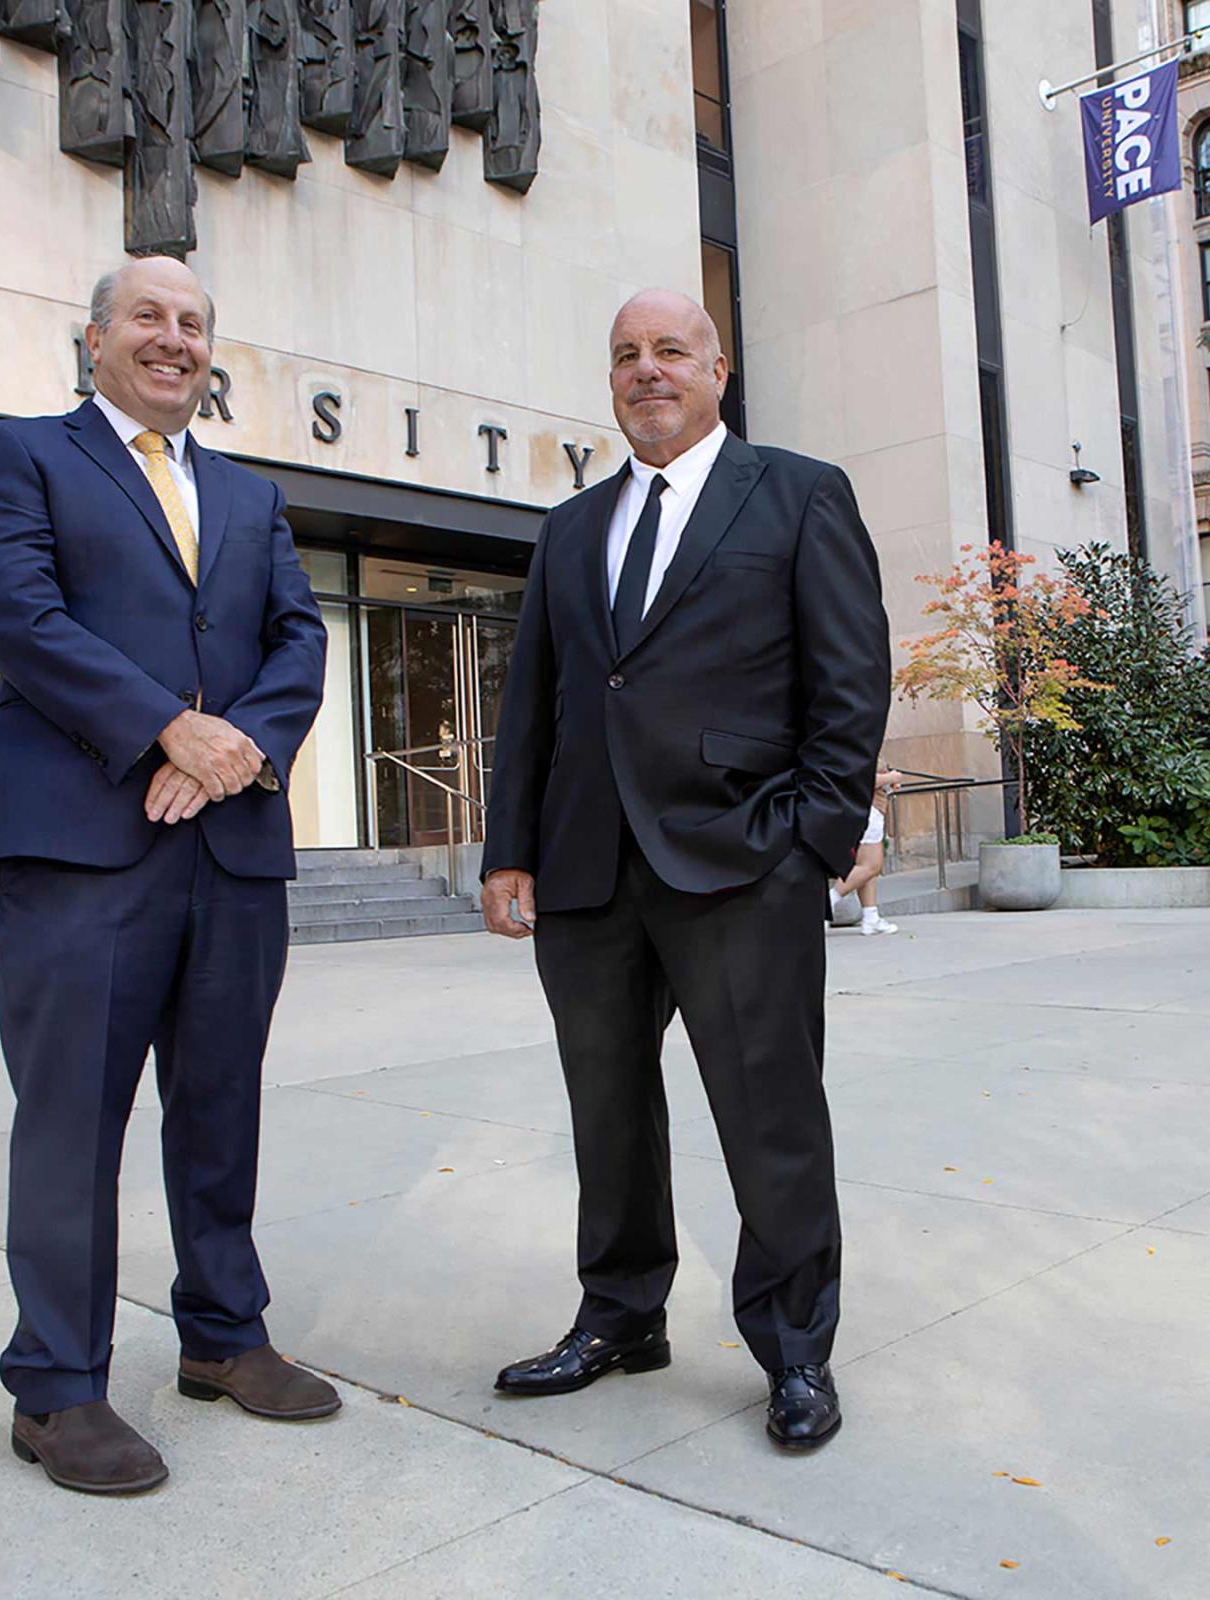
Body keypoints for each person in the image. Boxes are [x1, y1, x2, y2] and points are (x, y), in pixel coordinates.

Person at [479, 289, 889, 1451]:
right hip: (587, 870)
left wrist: (812, 833)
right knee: (605, 1110)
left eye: (669, 351)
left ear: (719, 370)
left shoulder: (798, 494)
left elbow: (849, 682)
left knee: (769, 1116)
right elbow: (537, 705)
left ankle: (795, 1348)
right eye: (624, 356)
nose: (644, 371)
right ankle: (619, 1315)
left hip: (739, 857)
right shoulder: (570, 527)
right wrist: (510, 848)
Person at [0, 253, 333, 1497]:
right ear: (95, 339)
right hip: (81, 852)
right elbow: (21, 616)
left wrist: (233, 755)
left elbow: (296, 639)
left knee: (220, 1107)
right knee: (71, 1121)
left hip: (227, 848)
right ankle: (57, 1387)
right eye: (149, 319)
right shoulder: (21, 458)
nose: (173, 339)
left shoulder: (248, 493)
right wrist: (169, 728)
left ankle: (221, 1334)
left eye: (193, 323)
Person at [829, 763, 904, 935]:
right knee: (871, 866)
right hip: (868, 811)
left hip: (868, 810)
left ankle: (871, 917)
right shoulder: (862, 744)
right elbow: (860, 779)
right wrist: (890, 777)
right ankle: (828, 901)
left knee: (867, 869)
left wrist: (887, 784)